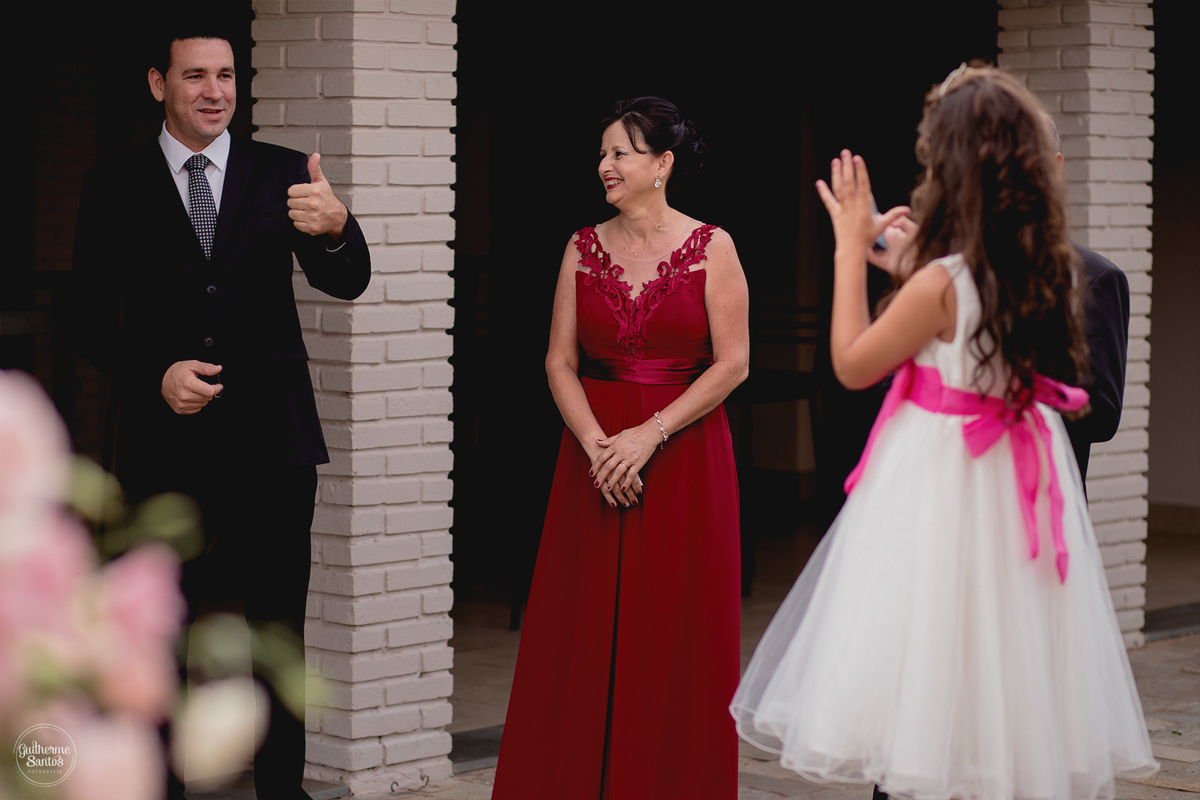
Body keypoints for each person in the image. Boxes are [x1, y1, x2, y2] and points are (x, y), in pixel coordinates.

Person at [731, 67, 1157, 800]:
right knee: (1001, 665)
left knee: (929, 659)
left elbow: (853, 363)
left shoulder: (939, 284)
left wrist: (846, 249)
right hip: (1010, 494)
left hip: (942, 491)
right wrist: (910, 265)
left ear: (951, 167)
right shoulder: (1047, 273)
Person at [71, 27, 371, 800]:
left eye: (226, 76)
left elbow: (348, 283)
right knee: (161, 635)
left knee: (277, 630)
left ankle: (283, 789)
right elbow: (88, 319)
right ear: (157, 84)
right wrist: (155, 373)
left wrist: (340, 230)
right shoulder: (112, 183)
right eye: (195, 75)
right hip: (162, 446)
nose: (214, 91)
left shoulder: (281, 174)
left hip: (273, 442)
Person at [491, 97, 749, 800]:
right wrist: (598, 445)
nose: (604, 165)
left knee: (674, 632)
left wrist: (649, 433)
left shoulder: (713, 246)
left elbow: (732, 364)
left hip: (685, 454)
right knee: (579, 633)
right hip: (593, 454)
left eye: (620, 153)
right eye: (602, 153)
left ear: (662, 165)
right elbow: (557, 362)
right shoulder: (581, 246)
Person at [1041, 114, 1132, 481]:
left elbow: (1103, 414)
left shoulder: (1096, 278)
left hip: (1048, 497)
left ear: (1055, 167)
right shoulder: (948, 269)